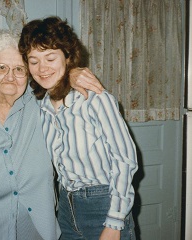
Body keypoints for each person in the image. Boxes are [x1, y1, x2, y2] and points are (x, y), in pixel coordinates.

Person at [0, 29, 103, 240]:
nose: (10, 77)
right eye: (2, 68)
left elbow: (54, 76)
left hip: (35, 229)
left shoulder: (39, 103)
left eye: (19, 69)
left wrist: (71, 73)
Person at [19, 16, 138, 240]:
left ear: (67, 57)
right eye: (34, 61)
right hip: (65, 208)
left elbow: (125, 160)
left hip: (104, 204)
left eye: (50, 58)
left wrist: (115, 221)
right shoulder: (40, 107)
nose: (42, 68)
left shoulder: (95, 100)